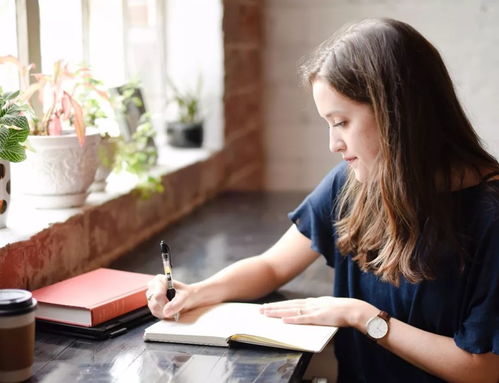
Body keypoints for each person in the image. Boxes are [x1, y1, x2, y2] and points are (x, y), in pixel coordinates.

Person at [147, 18, 499, 382]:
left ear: (397, 113)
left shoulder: (490, 215)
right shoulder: (353, 183)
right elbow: (272, 266)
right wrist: (196, 292)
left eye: (341, 122)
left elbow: (484, 369)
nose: (334, 144)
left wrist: (363, 317)